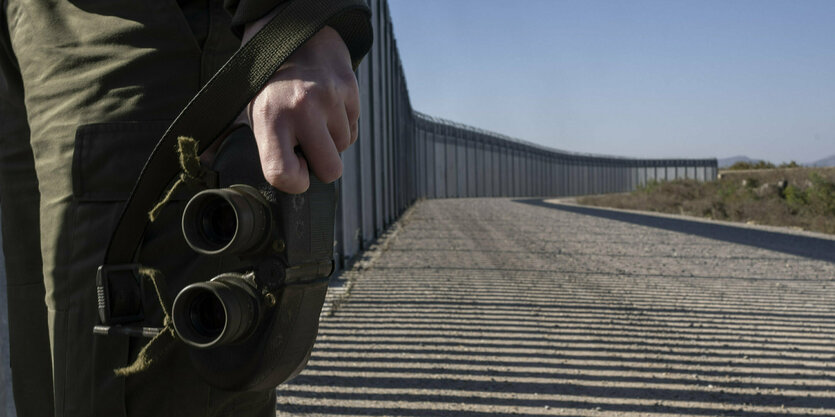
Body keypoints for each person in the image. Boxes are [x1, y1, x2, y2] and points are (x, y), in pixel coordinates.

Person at [0, 1, 372, 416]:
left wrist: (293, 16)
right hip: (28, 33)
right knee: (50, 374)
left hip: (149, 32)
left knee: (149, 374)